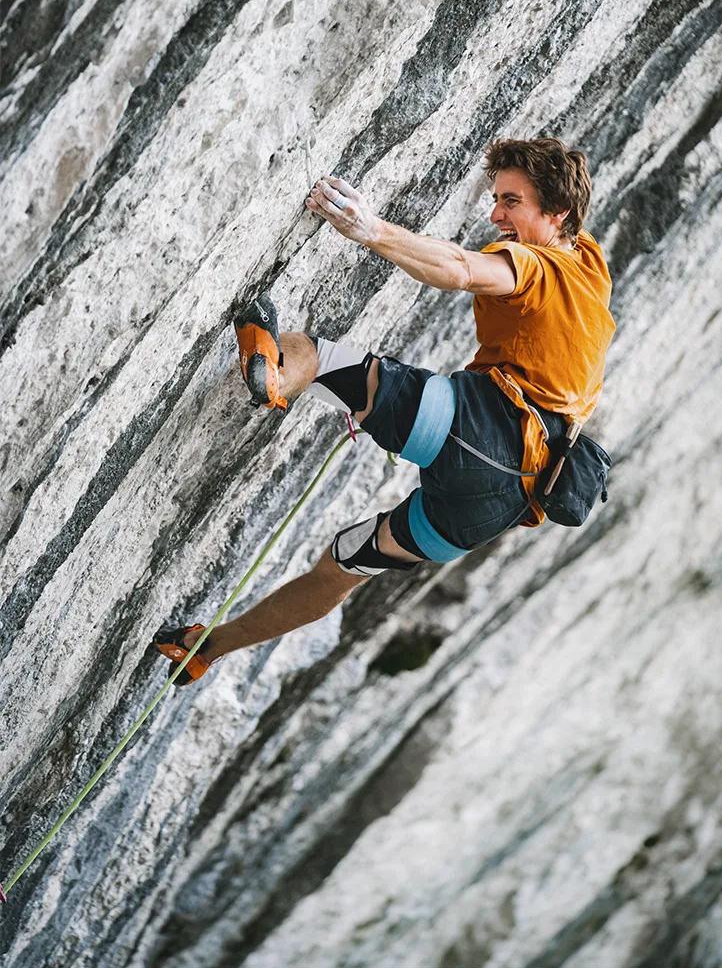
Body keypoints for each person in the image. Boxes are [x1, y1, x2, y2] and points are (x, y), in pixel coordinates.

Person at [153, 137, 615, 684]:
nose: (495, 215)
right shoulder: (590, 266)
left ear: (555, 211)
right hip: (493, 512)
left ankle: (275, 376)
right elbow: (554, 235)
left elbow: (463, 269)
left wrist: (368, 228)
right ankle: (206, 647)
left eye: (510, 202)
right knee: (339, 571)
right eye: (497, 199)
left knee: (320, 358)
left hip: (474, 427)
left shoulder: (532, 266)